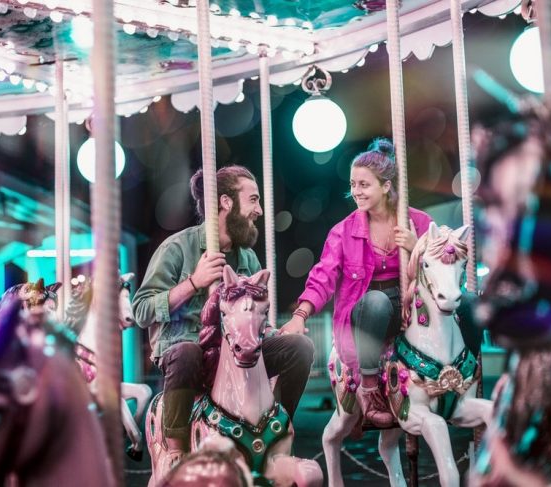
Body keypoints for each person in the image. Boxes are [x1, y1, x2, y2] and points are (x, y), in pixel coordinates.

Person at [132, 165, 314, 460]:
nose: (259, 210)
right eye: (253, 200)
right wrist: (193, 283)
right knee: (187, 352)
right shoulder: (178, 248)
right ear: (226, 202)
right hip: (191, 352)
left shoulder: (248, 258)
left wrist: (273, 332)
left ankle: (276, 428)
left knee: (300, 348)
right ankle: (175, 451)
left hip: (237, 352)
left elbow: (254, 320)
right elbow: (141, 310)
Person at [279, 138, 432, 428]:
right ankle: (370, 387)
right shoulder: (344, 231)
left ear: (386, 186)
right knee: (377, 302)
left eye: (364, 185)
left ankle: (459, 377)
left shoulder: (419, 223)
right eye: (353, 184)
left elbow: (442, 266)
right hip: (366, 312)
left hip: (409, 303)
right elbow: (323, 275)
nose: (355, 192)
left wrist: (417, 247)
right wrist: (301, 315)